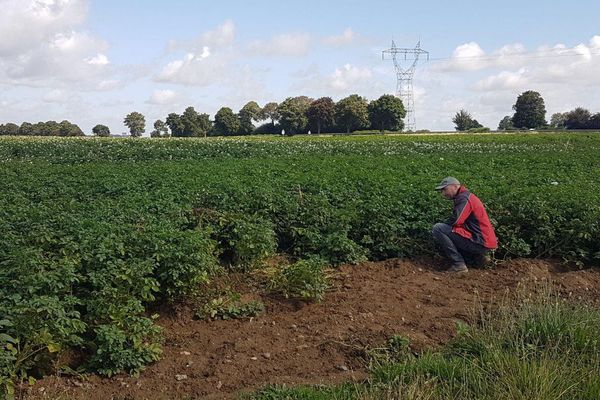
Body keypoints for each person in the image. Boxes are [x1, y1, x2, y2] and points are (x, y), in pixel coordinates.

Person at [432, 177, 497, 273]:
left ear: (455, 186)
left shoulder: (464, 198)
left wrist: (445, 224)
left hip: (480, 241)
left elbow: (456, 220)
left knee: (438, 228)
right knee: (451, 230)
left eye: (444, 189)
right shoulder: (466, 196)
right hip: (483, 241)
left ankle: (458, 264)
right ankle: (478, 259)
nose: (443, 193)